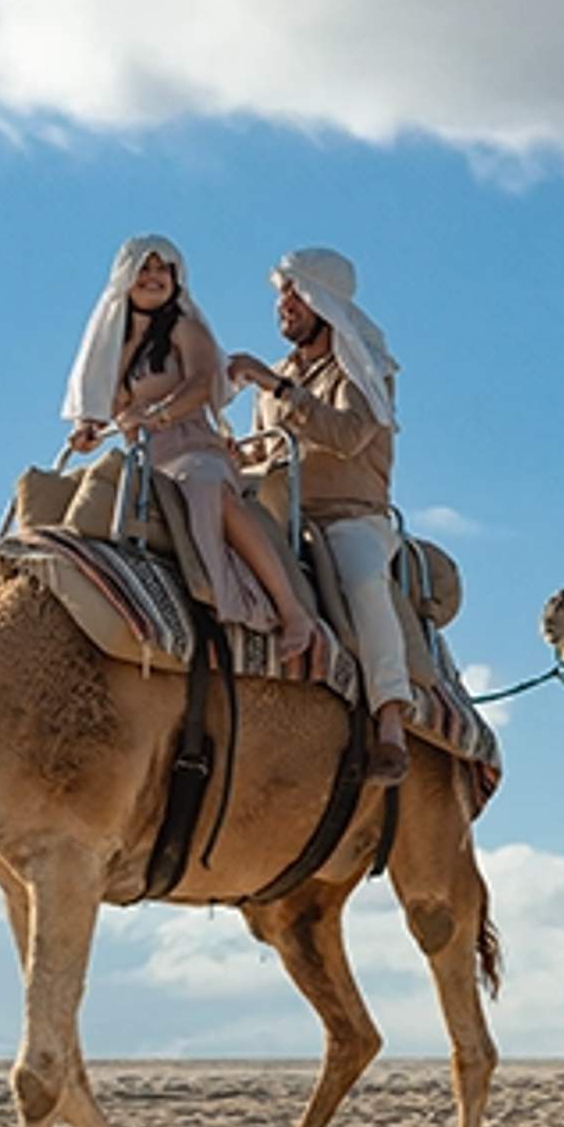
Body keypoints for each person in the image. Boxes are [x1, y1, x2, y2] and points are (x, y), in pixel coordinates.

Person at [62, 236, 316, 663]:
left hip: (191, 446)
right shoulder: (112, 344)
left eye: (164, 269)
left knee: (206, 488)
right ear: (126, 276)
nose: (154, 277)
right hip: (145, 459)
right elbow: (104, 409)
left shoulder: (184, 328)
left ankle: (291, 612)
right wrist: (88, 429)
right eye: (145, 268)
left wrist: (158, 415)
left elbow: (201, 383)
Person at [229, 247, 410, 781]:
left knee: (360, 580)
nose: (282, 304)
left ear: (321, 299)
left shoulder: (364, 367)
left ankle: (392, 721)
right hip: (278, 514)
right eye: (279, 293)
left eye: (293, 292)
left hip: (348, 518)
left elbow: (350, 435)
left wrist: (278, 387)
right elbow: (264, 453)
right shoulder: (278, 375)